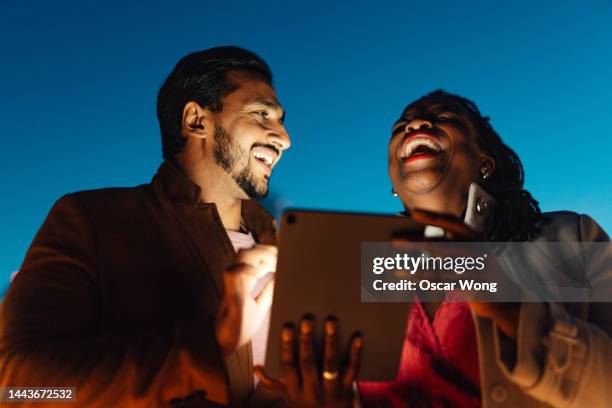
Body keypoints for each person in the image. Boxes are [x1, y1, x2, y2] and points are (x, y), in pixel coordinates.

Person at [0, 46, 292, 407]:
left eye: (280, 120)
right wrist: (211, 343)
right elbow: (19, 386)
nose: (285, 138)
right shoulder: (92, 220)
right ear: (196, 120)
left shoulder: (287, 251)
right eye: (261, 114)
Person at [357, 90, 612, 407]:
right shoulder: (361, 271)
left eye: (444, 118)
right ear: (394, 182)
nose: (415, 125)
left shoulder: (572, 237)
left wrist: (508, 306)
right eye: (400, 127)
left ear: (485, 162)